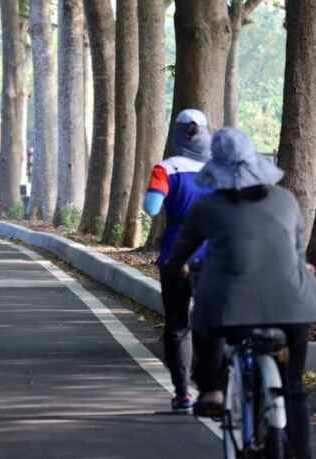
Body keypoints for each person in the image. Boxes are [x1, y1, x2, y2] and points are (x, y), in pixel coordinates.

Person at [168, 128, 316, 459]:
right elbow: (297, 252)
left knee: (202, 316)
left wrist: (177, 269)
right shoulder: (286, 200)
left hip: (230, 308)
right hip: (294, 306)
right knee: (295, 388)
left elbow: (180, 253)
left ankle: (213, 389)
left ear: (216, 166)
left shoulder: (207, 206)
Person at [143, 108, 212, 413]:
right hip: (215, 256)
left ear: (176, 134)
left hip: (176, 255)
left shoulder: (165, 168)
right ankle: (214, 389)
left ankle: (183, 393)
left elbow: (152, 207)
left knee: (177, 323)